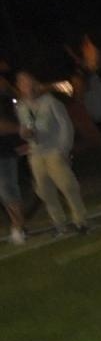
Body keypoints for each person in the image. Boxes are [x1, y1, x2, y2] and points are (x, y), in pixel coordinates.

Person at [14, 70, 90, 236]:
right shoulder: (21, 106)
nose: (25, 86)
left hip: (54, 150)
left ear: (34, 83)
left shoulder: (50, 102)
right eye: (21, 83)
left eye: (28, 82)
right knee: (46, 192)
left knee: (68, 187)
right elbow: (23, 128)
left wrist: (63, 148)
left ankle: (80, 221)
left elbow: (65, 126)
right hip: (36, 153)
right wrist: (24, 134)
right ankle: (59, 224)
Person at [1, 78, 30, 243]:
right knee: (5, 190)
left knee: (7, 188)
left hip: (4, 150)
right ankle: (17, 224)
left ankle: (19, 226)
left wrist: (20, 134)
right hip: (7, 147)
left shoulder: (7, 99)